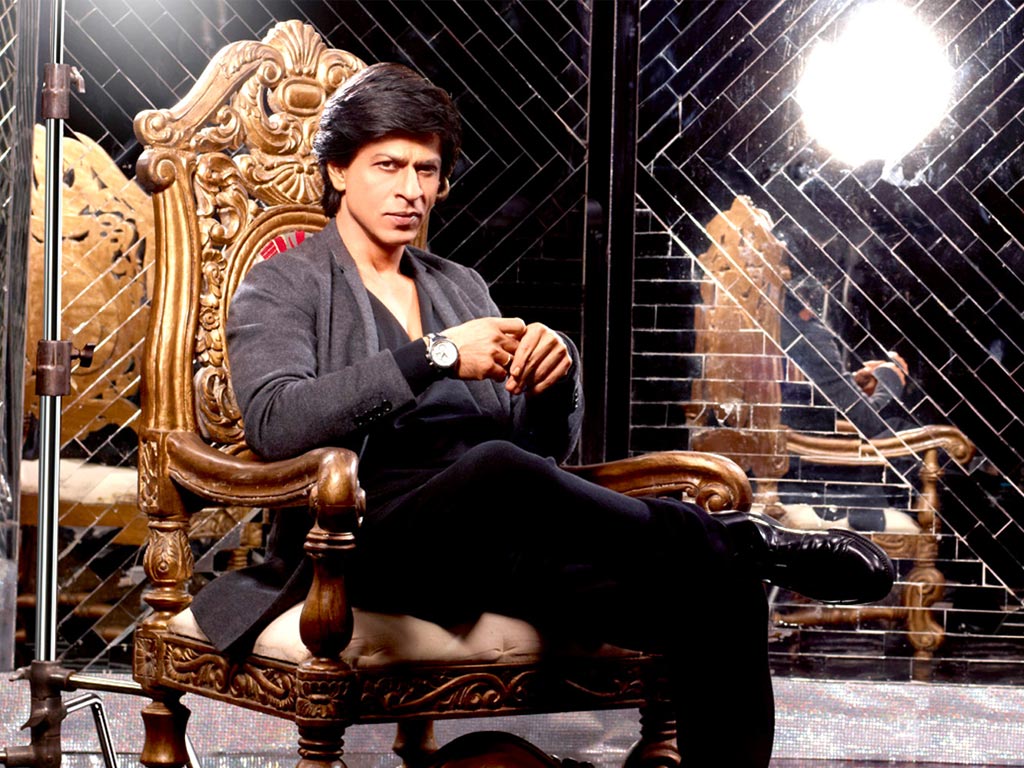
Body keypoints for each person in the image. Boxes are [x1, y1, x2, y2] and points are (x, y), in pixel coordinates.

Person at [190, 63, 894, 768]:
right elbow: (276, 423)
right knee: (495, 467)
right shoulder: (283, 283)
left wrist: (555, 377)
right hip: (365, 545)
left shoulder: (460, 286)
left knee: (721, 590)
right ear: (339, 170)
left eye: (427, 170)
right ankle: (736, 538)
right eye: (388, 166)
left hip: (500, 548)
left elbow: (542, 453)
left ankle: (732, 560)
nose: (411, 190)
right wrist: (435, 355)